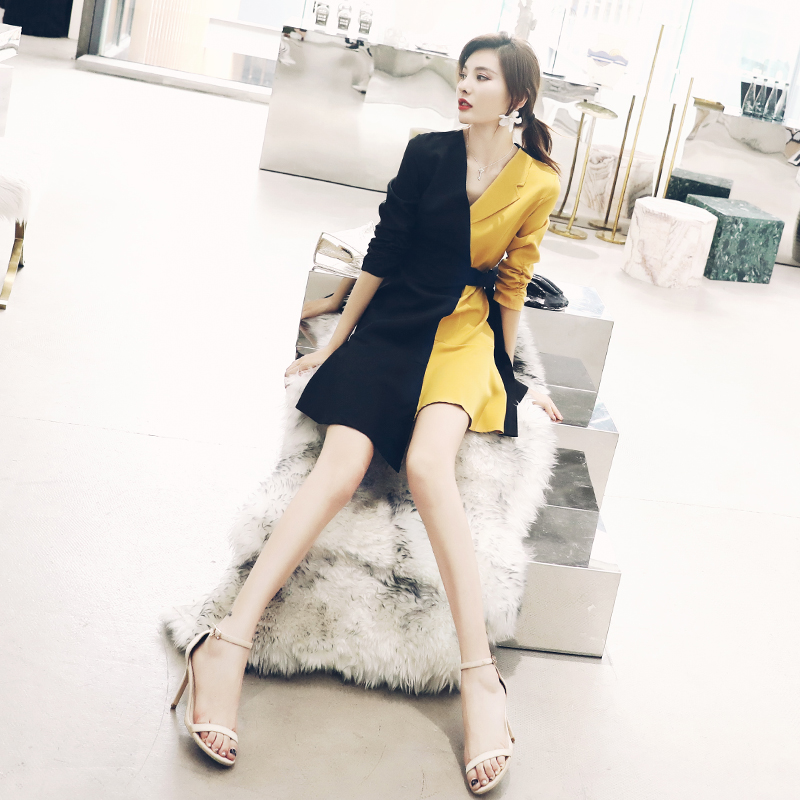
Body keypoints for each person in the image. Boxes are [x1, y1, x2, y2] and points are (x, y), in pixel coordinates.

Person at [171, 31, 562, 795]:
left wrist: (512, 378)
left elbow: (513, 284)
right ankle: (227, 643)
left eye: (482, 77)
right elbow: (384, 251)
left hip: (462, 331)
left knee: (428, 466)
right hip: (393, 322)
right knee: (342, 465)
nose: (465, 85)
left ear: (516, 97)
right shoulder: (427, 154)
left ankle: (479, 676)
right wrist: (336, 343)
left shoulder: (537, 182)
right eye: (463, 73)